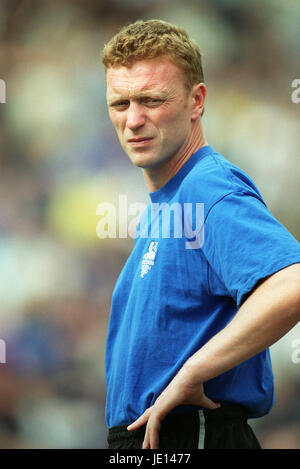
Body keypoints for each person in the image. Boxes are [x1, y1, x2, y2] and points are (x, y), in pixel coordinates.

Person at [102, 19, 300, 449]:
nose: (133, 119)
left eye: (152, 100)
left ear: (197, 101)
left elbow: (292, 284)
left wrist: (193, 371)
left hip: (192, 435)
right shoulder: (166, 206)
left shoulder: (205, 187)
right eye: (120, 103)